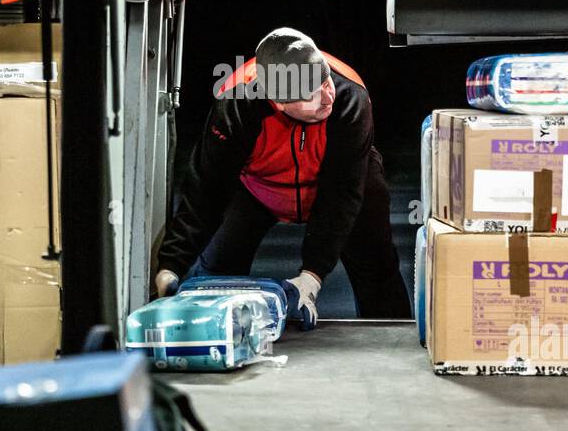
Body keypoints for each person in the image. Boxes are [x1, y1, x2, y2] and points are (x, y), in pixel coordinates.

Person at [154, 27, 410, 329]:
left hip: (339, 181)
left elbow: (341, 193)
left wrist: (311, 276)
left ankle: (392, 335)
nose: (327, 96)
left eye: (325, 81)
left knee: (377, 265)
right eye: (310, 94)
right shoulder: (238, 101)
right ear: (278, 102)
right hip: (259, 187)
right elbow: (206, 187)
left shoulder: (350, 97)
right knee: (215, 271)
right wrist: (170, 264)